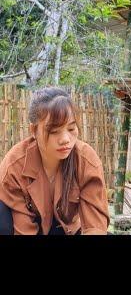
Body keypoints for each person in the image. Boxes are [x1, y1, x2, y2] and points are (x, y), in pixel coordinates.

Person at [0, 87, 109, 235]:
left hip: (67, 229)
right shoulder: (15, 164)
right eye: (54, 131)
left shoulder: (86, 161)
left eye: (71, 129)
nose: (65, 140)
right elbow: (23, 230)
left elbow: (95, 226)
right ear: (33, 130)